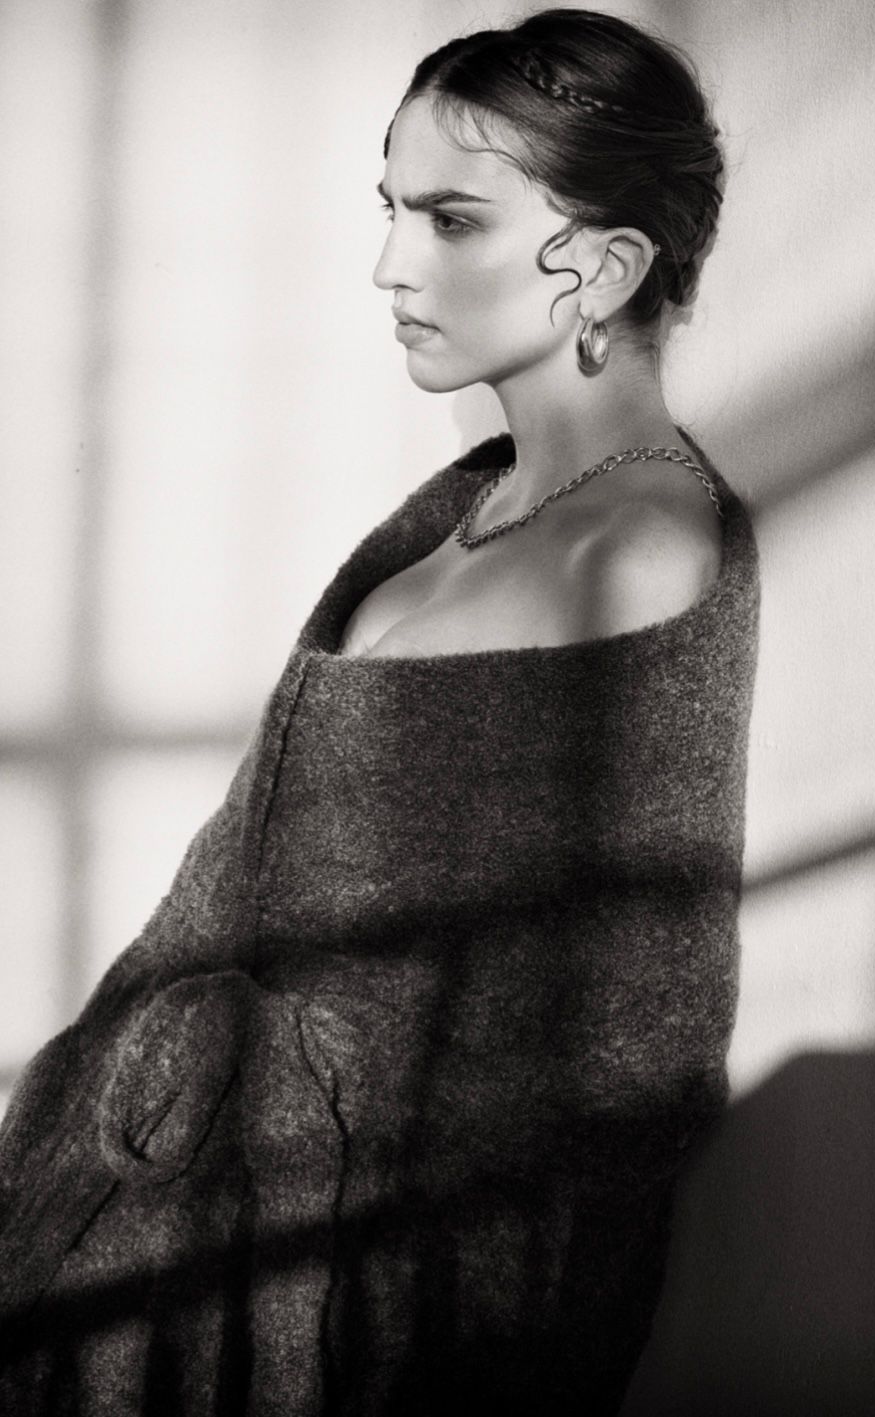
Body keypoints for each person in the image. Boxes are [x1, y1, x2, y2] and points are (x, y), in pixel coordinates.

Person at [0, 9, 759, 1414]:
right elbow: (246, 880)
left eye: (451, 221)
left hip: (335, 1285)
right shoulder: (462, 509)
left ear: (604, 267)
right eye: (391, 209)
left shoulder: (638, 550)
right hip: (181, 1207)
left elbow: (624, 1030)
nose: (390, 266)